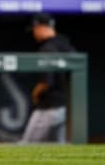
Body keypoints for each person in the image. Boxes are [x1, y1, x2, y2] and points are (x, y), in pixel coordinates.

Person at [22, 13, 75, 143]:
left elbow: (46, 82)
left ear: (40, 27)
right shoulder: (66, 45)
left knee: (26, 146)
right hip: (66, 106)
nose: (34, 33)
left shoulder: (47, 48)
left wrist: (35, 93)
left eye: (35, 29)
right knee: (59, 148)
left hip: (49, 107)